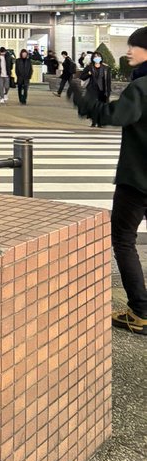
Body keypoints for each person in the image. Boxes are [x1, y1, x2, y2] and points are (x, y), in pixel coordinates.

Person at [68, 27, 147, 336]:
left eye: (134, 47)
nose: (128, 52)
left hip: (137, 180)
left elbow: (111, 116)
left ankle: (140, 312)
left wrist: (82, 99)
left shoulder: (141, 88)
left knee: (124, 240)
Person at [82, 51, 111, 128]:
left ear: (101, 58)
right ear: (93, 58)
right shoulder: (89, 67)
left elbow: (108, 81)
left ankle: (100, 122)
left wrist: (108, 91)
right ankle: (94, 122)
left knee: (101, 107)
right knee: (93, 106)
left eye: (98, 56)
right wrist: (88, 74)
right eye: (95, 57)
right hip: (92, 90)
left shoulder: (106, 68)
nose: (97, 58)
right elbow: (82, 77)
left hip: (102, 90)